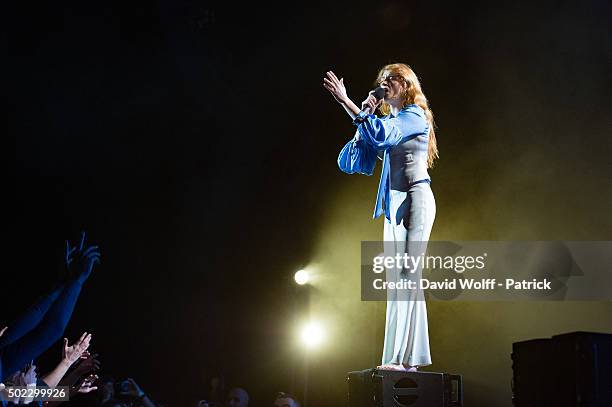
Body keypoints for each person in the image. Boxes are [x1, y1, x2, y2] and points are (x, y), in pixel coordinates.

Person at [323, 63, 438, 371]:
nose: (387, 82)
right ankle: (405, 360)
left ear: (408, 85)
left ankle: (403, 360)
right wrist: (363, 113)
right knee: (399, 282)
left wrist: (347, 103)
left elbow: (385, 136)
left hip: (415, 200)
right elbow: (356, 156)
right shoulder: (389, 119)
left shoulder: (413, 115)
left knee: (406, 277)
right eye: (384, 79)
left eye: (394, 78)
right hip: (394, 204)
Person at [0, 233, 101, 382]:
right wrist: (69, 366)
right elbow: (49, 397)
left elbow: (48, 396)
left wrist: (69, 283)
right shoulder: (12, 393)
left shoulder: (10, 390)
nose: (34, 369)